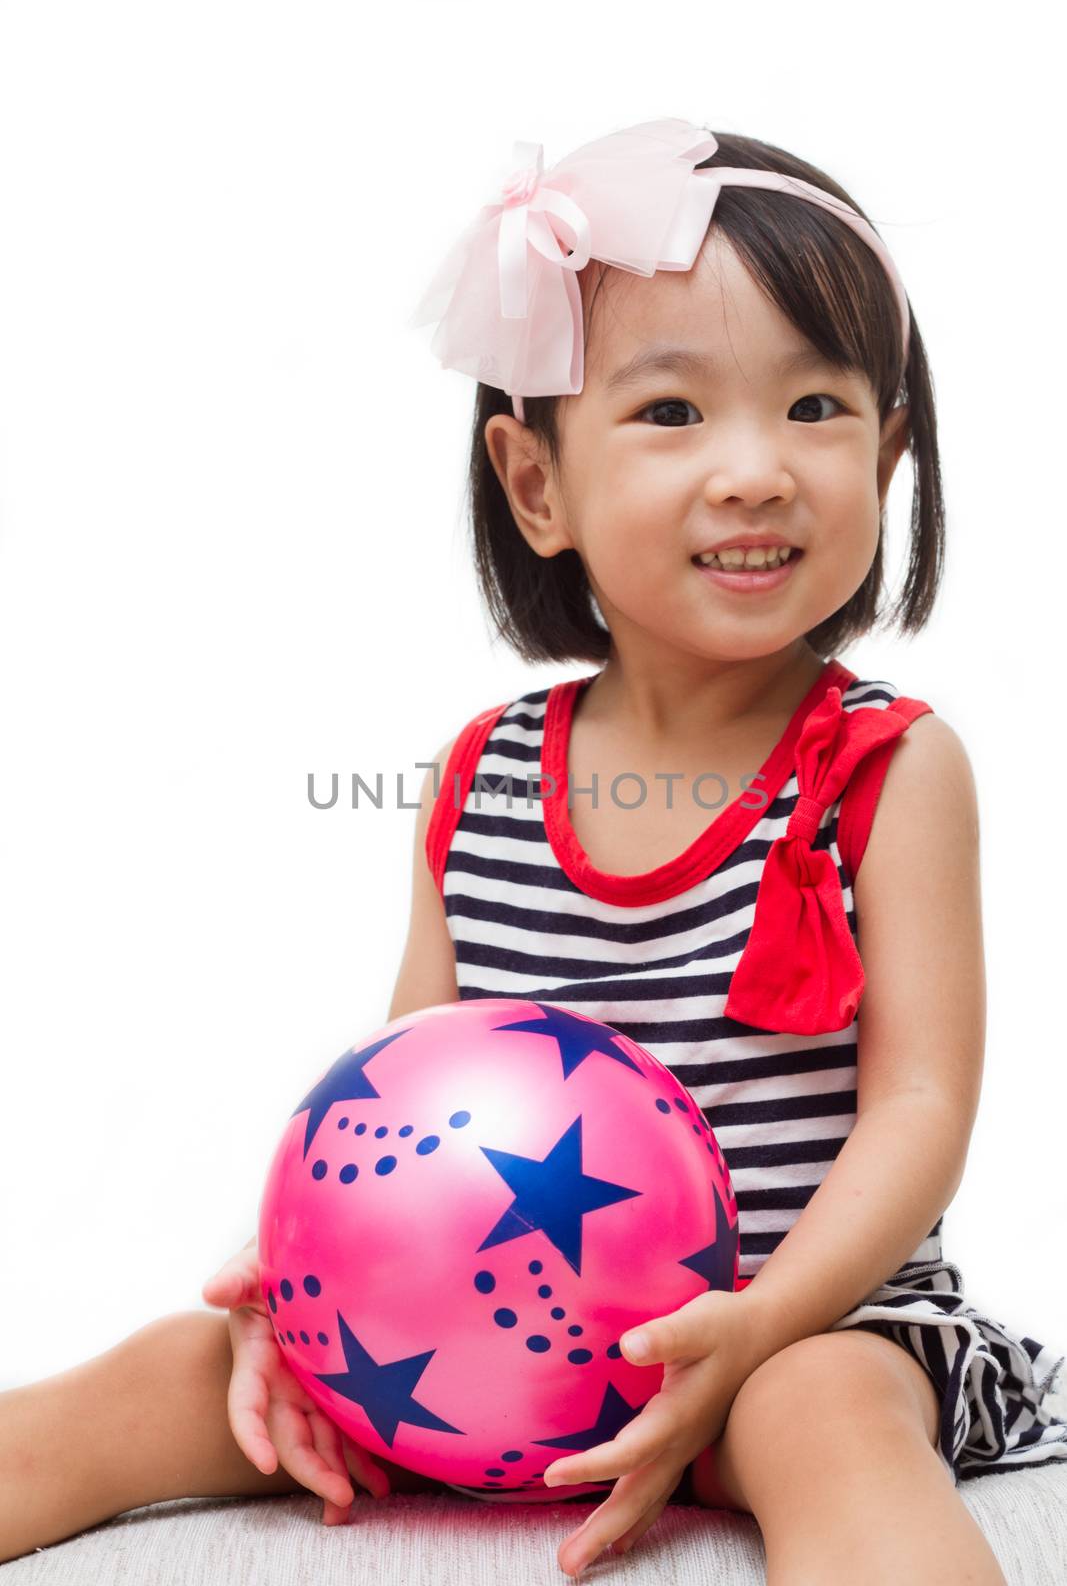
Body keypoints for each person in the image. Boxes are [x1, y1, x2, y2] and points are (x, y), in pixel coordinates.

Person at [2, 117, 1065, 1582]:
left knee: (827, 1415)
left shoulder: (889, 767)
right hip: (505, 1349)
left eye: (818, 408)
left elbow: (922, 1111)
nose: (757, 471)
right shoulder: (484, 776)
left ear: (889, 454)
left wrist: (755, 1323)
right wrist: (306, 1278)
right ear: (536, 483)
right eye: (673, 414)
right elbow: (408, 1091)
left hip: (806, 1319)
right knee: (186, 1371)